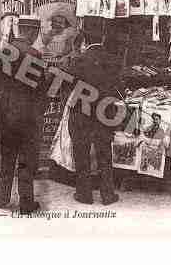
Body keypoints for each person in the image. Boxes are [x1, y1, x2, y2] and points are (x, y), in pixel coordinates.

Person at [0, 17, 48, 215]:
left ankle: (1, 198)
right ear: (33, 32)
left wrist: (3, 108)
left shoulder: (4, 52)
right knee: (26, 161)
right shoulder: (35, 55)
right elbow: (42, 90)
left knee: (7, 158)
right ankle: (26, 203)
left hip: (7, 116)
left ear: (20, 29)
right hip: (28, 118)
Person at [66, 24, 124, 205]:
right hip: (104, 113)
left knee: (81, 153)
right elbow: (119, 89)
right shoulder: (114, 61)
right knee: (104, 153)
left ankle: (84, 194)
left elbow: (67, 85)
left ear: (85, 40)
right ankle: (108, 194)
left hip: (81, 113)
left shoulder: (78, 61)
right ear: (103, 39)